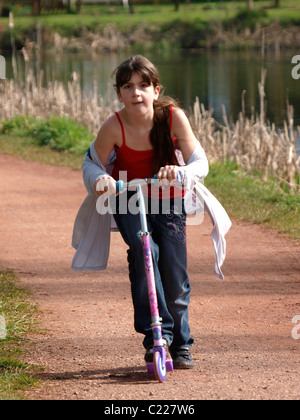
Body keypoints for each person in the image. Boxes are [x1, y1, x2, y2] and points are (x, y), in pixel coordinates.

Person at [71, 55, 230, 370]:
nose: (136, 93)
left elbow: (201, 163)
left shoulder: (173, 117)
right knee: (144, 254)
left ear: (156, 90)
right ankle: (156, 337)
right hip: (129, 198)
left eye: (144, 85)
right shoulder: (114, 125)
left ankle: (181, 344)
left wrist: (180, 172)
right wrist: (100, 178)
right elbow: (90, 162)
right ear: (120, 94)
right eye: (128, 87)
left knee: (173, 270)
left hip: (169, 199)